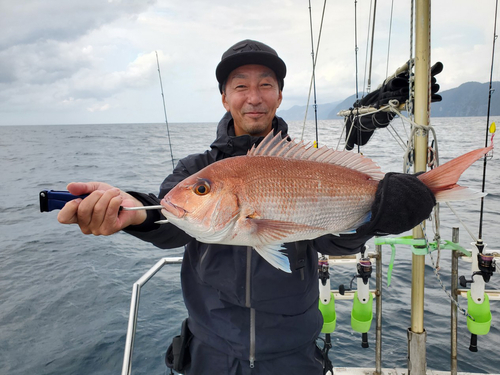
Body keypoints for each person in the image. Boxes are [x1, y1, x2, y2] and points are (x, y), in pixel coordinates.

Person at [58, 39, 436, 374]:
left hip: (294, 354)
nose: (253, 97)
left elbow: (332, 242)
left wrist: (374, 216)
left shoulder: (307, 163)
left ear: (279, 95)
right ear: (224, 97)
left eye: (265, 85)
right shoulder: (195, 169)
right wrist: (136, 214)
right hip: (211, 352)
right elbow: (169, 222)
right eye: (240, 86)